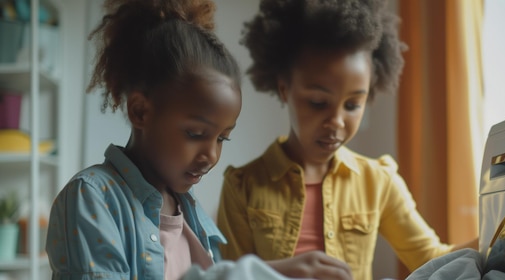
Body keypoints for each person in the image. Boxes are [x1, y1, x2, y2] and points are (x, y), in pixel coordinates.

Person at [45, 0, 351, 279]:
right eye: (195, 134)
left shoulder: (188, 210)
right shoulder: (92, 198)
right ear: (140, 112)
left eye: (222, 139)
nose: (211, 156)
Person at [216, 1, 478, 280]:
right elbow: (231, 275)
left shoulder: (378, 181)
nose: (337, 122)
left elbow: (435, 258)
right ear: (284, 88)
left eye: (352, 105)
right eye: (318, 103)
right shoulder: (242, 187)